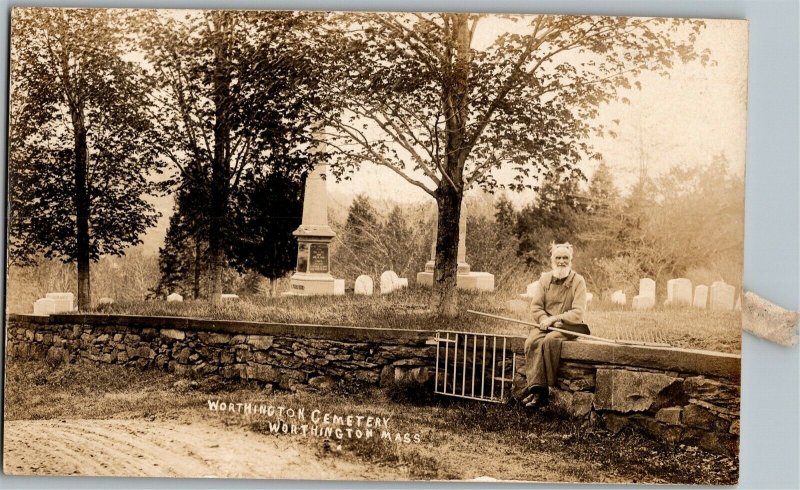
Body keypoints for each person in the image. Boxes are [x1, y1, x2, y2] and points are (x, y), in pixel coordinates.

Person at [517, 242, 587, 409]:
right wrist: (544, 319)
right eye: (558, 257)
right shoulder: (545, 279)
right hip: (545, 324)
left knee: (550, 342)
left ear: (571, 260)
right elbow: (536, 306)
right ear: (552, 260)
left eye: (565, 258)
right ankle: (536, 389)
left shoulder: (578, 281)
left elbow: (578, 312)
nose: (561, 261)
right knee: (532, 342)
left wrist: (556, 319)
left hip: (567, 325)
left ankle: (547, 390)